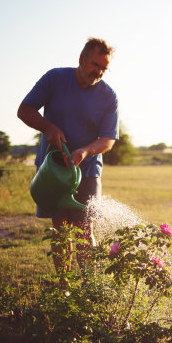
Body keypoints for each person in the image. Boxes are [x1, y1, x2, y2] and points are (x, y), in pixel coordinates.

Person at [18, 37, 119, 277]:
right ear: (83, 59)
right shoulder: (55, 79)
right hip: (53, 170)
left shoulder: (108, 96)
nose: (100, 72)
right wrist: (49, 128)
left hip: (88, 170)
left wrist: (85, 151)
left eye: (105, 68)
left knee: (85, 230)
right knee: (60, 230)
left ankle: (89, 289)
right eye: (96, 65)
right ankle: (63, 287)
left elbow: (108, 140)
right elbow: (24, 110)